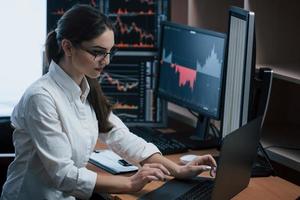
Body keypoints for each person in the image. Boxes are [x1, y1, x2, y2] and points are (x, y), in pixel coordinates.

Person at [0, 5, 216, 200]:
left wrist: (177, 169)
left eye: (110, 52)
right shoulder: (41, 97)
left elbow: (119, 136)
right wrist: (131, 183)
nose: (107, 61)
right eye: (98, 53)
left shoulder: (87, 84)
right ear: (67, 47)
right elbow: (63, 175)